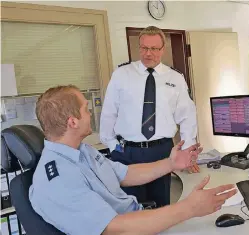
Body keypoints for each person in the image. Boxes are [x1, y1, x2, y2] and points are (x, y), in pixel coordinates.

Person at [29, 85, 237, 235]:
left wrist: (171, 164)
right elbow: (114, 229)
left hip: (138, 220)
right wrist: (190, 208)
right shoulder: (58, 180)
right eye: (85, 109)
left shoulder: (82, 151)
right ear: (73, 122)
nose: (91, 112)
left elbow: (125, 174)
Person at [100, 26, 199, 207]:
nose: (148, 53)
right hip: (127, 152)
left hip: (161, 150)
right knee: (130, 207)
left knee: (161, 205)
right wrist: (112, 145)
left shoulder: (175, 78)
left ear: (162, 49)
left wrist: (188, 151)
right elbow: (109, 112)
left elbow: (187, 116)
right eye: (144, 48)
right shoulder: (122, 75)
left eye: (154, 49)